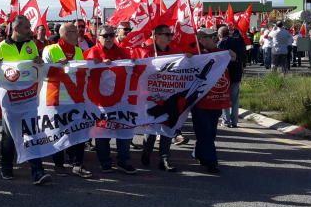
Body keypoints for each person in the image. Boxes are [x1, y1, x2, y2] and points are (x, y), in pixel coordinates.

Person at [0, 15, 51, 185]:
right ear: (16, 29)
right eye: (27, 27)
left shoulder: (31, 45)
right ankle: (6, 167)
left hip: (28, 99)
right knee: (9, 136)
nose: (30, 30)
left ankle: (37, 171)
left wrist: (39, 62)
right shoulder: (1, 47)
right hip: (10, 101)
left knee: (31, 133)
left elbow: (37, 67)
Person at [42, 22, 93, 178]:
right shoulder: (50, 50)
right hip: (56, 99)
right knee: (57, 132)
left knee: (78, 132)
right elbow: (43, 72)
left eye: (76, 31)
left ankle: (78, 164)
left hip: (75, 99)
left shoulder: (78, 51)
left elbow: (82, 73)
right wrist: (57, 66)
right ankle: (58, 164)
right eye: (72, 31)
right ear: (63, 34)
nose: (77, 34)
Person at [84, 25, 135, 173]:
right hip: (101, 102)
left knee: (124, 131)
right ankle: (105, 162)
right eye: (105, 36)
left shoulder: (123, 52)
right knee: (102, 133)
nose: (108, 39)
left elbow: (134, 68)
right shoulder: (92, 52)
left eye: (111, 35)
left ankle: (124, 161)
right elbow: (83, 72)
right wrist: (97, 64)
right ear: (98, 37)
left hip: (120, 100)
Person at [139, 24, 188, 172]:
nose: (169, 37)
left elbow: (187, 67)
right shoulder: (146, 52)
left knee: (168, 125)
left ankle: (164, 158)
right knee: (151, 127)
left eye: (170, 34)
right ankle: (146, 151)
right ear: (156, 36)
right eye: (166, 34)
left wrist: (189, 58)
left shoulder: (176, 53)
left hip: (169, 96)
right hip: (150, 97)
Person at [191, 28, 230, 174]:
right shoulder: (195, 54)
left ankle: (201, 154)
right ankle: (212, 161)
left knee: (211, 131)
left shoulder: (220, 52)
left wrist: (231, 55)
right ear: (200, 39)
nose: (211, 39)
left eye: (213, 36)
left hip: (216, 99)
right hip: (200, 100)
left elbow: (233, 58)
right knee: (204, 131)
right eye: (207, 37)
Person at [216, 25, 246, 128]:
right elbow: (243, 56)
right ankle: (234, 121)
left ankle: (226, 121)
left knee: (225, 98)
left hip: (226, 75)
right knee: (235, 99)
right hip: (237, 73)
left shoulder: (220, 44)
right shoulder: (238, 42)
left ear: (219, 35)